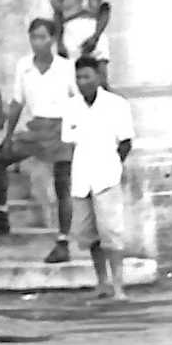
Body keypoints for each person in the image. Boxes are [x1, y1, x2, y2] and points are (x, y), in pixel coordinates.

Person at [0, 17, 78, 259]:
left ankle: (63, 240)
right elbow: (17, 101)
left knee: (63, 184)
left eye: (42, 37)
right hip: (36, 126)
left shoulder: (66, 67)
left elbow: (77, 101)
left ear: (51, 39)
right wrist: (8, 134)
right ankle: (1, 211)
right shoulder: (24, 66)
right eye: (33, 37)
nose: (37, 42)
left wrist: (76, 132)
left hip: (61, 127)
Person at [62, 57, 133, 300]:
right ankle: (101, 281)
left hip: (107, 176)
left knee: (112, 232)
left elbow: (125, 142)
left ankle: (118, 285)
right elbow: (70, 142)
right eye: (79, 78)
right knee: (89, 233)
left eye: (87, 77)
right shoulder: (72, 106)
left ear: (98, 77)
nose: (83, 82)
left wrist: (112, 167)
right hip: (82, 177)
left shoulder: (116, 104)